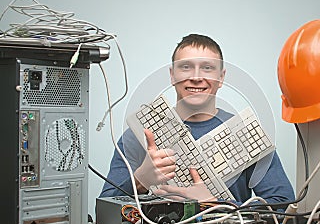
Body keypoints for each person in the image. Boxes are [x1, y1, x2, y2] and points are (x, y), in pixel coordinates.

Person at [100, 34, 295, 205]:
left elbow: (283, 203)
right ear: (172, 75)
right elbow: (103, 211)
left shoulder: (247, 134)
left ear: (221, 77)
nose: (196, 77)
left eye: (207, 68)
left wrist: (217, 205)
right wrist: (140, 180)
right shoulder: (138, 136)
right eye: (186, 67)